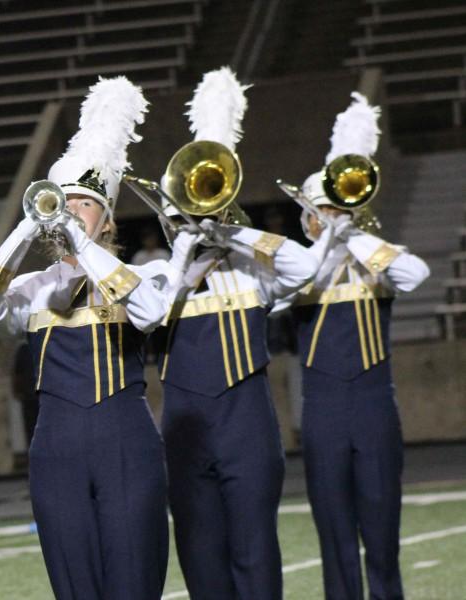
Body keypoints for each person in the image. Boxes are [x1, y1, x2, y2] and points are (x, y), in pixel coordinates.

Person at [0, 77, 172, 600]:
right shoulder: (35, 289)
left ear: (106, 217)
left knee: (133, 581)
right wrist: (24, 227)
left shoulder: (146, 272)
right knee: (74, 586)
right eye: (64, 201)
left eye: (84, 203)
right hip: (55, 446)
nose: (70, 211)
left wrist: (83, 242)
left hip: (126, 439)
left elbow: (148, 313)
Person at [153, 68, 319, 600]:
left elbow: (303, 268)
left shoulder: (252, 272)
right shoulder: (158, 275)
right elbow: (149, 312)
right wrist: (186, 251)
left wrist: (230, 232)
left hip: (247, 424)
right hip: (184, 427)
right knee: (201, 557)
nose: (194, 219)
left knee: (255, 552)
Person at [278, 92, 430, 600]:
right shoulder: (295, 266)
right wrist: (328, 239)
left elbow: (415, 274)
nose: (326, 217)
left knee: (382, 534)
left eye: (333, 209)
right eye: (318, 211)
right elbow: (288, 291)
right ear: (305, 217)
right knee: (335, 534)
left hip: (373, 406)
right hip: (322, 412)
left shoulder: (376, 259)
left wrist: (352, 233)